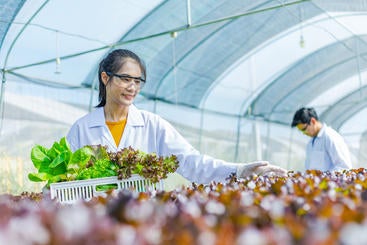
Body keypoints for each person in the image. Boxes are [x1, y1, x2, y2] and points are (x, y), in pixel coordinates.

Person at [66, 49, 287, 184]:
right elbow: (66, 179)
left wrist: (238, 171)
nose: (132, 87)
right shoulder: (82, 128)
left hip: (142, 223)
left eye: (137, 81)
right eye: (125, 79)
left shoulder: (153, 126)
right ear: (105, 78)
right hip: (95, 225)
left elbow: (192, 163)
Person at [291, 107, 352, 171]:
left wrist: (325, 178)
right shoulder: (311, 142)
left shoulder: (330, 136)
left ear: (313, 121)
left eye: (304, 129)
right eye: (301, 131)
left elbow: (344, 167)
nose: (304, 133)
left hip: (329, 181)